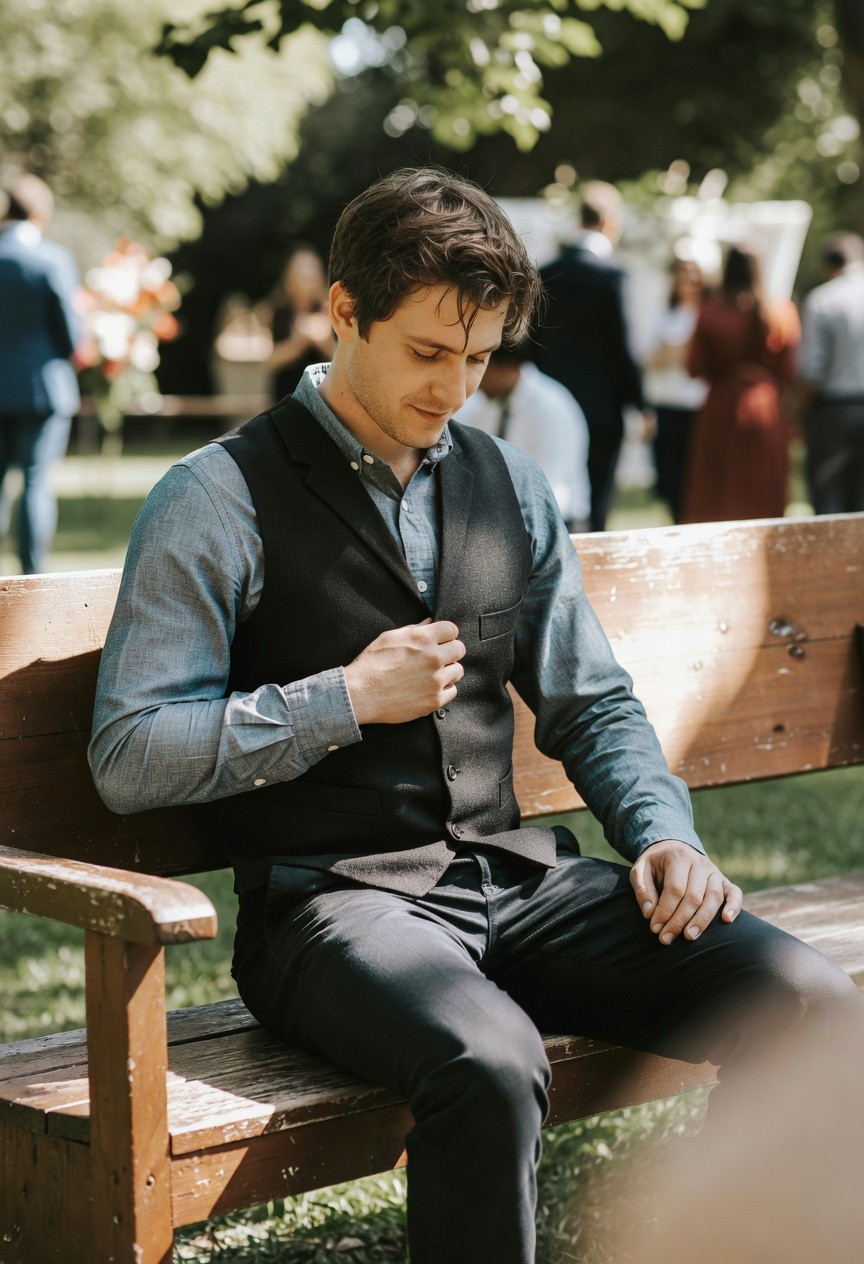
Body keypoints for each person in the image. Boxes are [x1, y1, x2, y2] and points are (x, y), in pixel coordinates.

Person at [89, 168, 858, 1264]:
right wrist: (343, 699)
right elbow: (128, 754)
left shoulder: (512, 485)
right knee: (491, 1064)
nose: (457, 387)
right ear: (345, 313)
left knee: (806, 997)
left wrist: (664, 835)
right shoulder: (212, 500)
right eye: (429, 353)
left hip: (517, 882)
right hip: (331, 911)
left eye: (483, 356)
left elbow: (591, 702)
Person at [535, 180, 646, 531]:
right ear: (610, 222)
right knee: (597, 504)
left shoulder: (545, 274)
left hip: (550, 400)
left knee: (549, 496)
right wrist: (639, 403)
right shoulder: (612, 277)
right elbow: (622, 348)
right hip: (601, 407)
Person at [681, 244, 799, 524]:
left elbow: (694, 367)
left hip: (722, 408)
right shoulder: (782, 312)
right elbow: (790, 371)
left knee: (717, 494)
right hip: (766, 408)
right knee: (763, 492)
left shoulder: (710, 312)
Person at [0, 173, 82, 573]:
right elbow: (71, 337)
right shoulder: (52, 260)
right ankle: (32, 577)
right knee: (35, 481)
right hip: (42, 391)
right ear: (40, 212)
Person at [455, 340, 591, 532]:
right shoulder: (477, 404)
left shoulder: (549, 408)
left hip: (555, 524)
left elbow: (550, 491)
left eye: (481, 367)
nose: (474, 380)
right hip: (496, 524)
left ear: (511, 366)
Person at [798, 231, 864, 514]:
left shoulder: (823, 300)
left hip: (834, 413)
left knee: (830, 501)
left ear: (829, 267)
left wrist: (799, 410)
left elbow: (813, 367)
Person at [644, 259, 707, 523]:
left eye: (692, 274)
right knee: (668, 477)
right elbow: (648, 362)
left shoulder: (706, 314)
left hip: (697, 405)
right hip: (667, 402)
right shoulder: (663, 315)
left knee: (693, 476)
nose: (686, 280)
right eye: (681, 273)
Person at [265, 244, 334, 403]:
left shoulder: (329, 309)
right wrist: (297, 343)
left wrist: (321, 341)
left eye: (310, 271)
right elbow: (269, 360)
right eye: (301, 271)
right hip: (284, 397)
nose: (306, 276)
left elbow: (341, 361)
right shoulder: (279, 311)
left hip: (320, 398)